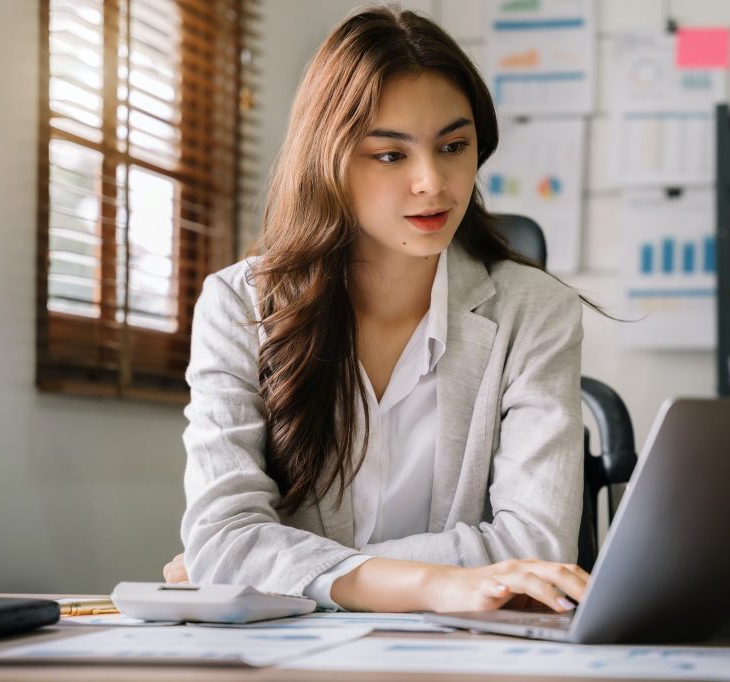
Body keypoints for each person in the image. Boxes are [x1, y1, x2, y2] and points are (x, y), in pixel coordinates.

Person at [163, 4, 590, 614]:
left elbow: (532, 544)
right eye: (390, 155)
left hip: (467, 656)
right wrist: (439, 583)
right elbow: (223, 537)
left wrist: (289, 565)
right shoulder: (239, 305)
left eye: (454, 146)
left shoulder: (536, 311)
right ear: (328, 158)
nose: (433, 182)